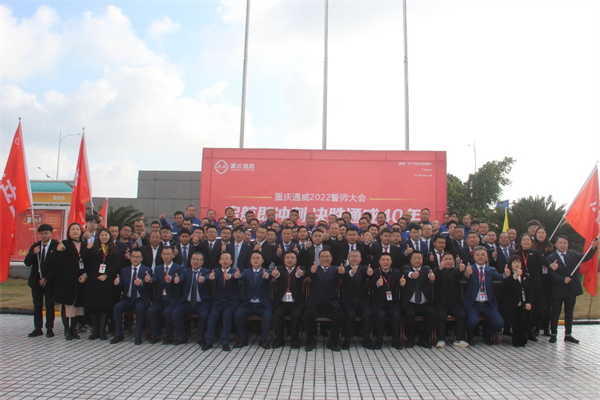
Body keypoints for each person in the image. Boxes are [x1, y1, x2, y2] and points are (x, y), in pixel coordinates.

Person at [547, 235, 598, 344]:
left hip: (571, 289)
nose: (563, 245)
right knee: (555, 312)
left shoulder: (573, 254)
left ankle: (568, 334)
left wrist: (593, 248)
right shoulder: (551, 258)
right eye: (560, 243)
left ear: (568, 244)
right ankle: (553, 333)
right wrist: (562, 279)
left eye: (565, 243)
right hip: (558, 289)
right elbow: (551, 274)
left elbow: (585, 257)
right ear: (556, 244)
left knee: (569, 312)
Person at [463, 246, 510, 345]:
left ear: (487, 257)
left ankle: (487, 335)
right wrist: (467, 274)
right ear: (474, 257)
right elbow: (466, 277)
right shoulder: (470, 268)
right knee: (472, 321)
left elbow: (499, 277)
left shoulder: (491, 270)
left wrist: (505, 275)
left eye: (483, 255)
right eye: (477, 255)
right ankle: (470, 336)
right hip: (473, 304)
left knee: (499, 322)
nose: (480, 257)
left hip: (488, 304)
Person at [53, 223, 91, 341]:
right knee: (67, 304)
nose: (75, 232)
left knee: (77, 306)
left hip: (80, 280)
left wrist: (85, 274)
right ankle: (66, 329)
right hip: (67, 280)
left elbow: (88, 263)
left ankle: (73, 329)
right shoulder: (65, 244)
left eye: (77, 229)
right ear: (69, 232)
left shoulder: (84, 246)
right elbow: (59, 256)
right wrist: (59, 250)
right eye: (73, 229)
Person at [303, 250, 346, 352]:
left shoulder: (335, 269)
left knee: (340, 316)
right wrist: (312, 272)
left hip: (331, 304)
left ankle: (332, 342)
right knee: (307, 315)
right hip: (316, 304)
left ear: (331, 258)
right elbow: (310, 273)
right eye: (322, 257)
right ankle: (310, 342)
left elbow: (339, 275)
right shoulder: (314, 268)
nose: (325, 259)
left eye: (327, 256)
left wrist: (341, 272)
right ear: (319, 258)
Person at [233, 251, 277, 349]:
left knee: (268, 316)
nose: (255, 260)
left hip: (262, 305)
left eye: (258, 258)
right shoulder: (246, 272)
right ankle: (243, 339)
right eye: (253, 258)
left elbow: (269, 276)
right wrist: (237, 276)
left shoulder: (267, 272)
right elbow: (241, 276)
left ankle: (263, 340)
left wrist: (268, 277)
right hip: (248, 304)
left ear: (262, 261)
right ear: (250, 261)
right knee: (238, 314)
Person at [24, 224, 60, 337]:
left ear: (51, 233)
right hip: (36, 281)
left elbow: (57, 266)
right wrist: (33, 253)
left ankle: (49, 328)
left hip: (50, 281)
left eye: (46, 233)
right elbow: (27, 262)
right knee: (37, 305)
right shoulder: (36, 246)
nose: (43, 235)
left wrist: (46, 278)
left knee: (49, 305)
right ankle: (38, 328)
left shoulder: (56, 246)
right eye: (41, 233)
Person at [111, 248, 152, 345]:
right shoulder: (124, 270)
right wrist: (117, 283)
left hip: (140, 299)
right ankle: (119, 335)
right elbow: (121, 284)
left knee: (140, 308)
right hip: (128, 299)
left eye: (138, 257)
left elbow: (150, 286)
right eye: (133, 256)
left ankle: (138, 336)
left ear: (141, 258)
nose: (135, 259)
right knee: (117, 307)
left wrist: (142, 282)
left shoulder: (147, 270)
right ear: (130, 258)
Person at [83, 228, 118, 340]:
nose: (104, 237)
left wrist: (106, 275)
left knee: (104, 306)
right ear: (98, 237)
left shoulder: (113, 249)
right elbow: (87, 262)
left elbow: (115, 265)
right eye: (102, 235)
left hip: (107, 281)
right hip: (94, 280)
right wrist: (87, 250)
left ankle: (102, 331)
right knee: (93, 306)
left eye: (106, 235)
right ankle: (95, 331)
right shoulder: (94, 248)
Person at [172, 252, 212, 346]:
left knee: (204, 315)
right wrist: (178, 280)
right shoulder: (186, 271)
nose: (195, 261)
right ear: (190, 261)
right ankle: (182, 337)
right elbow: (181, 278)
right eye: (193, 259)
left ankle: (200, 338)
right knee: (175, 313)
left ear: (202, 262)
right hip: (187, 302)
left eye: (198, 260)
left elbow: (208, 277)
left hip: (201, 303)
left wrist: (204, 279)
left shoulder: (206, 272)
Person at [147, 247, 184, 344]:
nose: (166, 256)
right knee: (151, 311)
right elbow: (155, 278)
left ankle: (169, 336)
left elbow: (180, 278)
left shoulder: (178, 268)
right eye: (164, 254)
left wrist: (172, 279)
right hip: (160, 298)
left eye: (168, 254)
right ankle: (156, 335)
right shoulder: (158, 268)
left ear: (173, 255)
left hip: (172, 299)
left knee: (167, 312)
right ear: (161, 255)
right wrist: (150, 279)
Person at [203, 253, 239, 351]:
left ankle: (225, 342)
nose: (225, 260)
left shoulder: (235, 271)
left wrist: (232, 276)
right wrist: (209, 278)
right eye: (223, 259)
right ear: (219, 261)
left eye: (227, 259)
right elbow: (210, 277)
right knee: (212, 315)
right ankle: (209, 341)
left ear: (231, 261)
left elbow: (237, 276)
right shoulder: (216, 271)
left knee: (227, 315)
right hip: (218, 302)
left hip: (231, 302)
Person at [400, 252, 437, 349]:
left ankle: (423, 339)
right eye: (415, 258)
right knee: (409, 314)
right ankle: (410, 339)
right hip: (410, 303)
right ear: (410, 260)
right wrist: (412, 274)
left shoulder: (426, 268)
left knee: (433, 314)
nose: (417, 260)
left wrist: (431, 277)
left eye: (419, 258)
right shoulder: (406, 268)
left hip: (424, 303)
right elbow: (406, 273)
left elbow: (429, 274)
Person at [433, 253, 469, 348]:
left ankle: (459, 339)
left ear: (453, 261)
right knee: (441, 315)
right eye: (446, 259)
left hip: (454, 303)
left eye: (450, 259)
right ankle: (441, 339)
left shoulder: (456, 270)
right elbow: (436, 278)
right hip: (441, 303)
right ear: (442, 260)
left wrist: (461, 270)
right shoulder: (437, 270)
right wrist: (440, 269)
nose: (448, 261)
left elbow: (459, 276)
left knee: (462, 314)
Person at [340, 250, 374, 349]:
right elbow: (343, 277)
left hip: (362, 302)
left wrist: (370, 273)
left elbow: (368, 273)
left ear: (360, 259)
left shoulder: (364, 269)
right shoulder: (344, 269)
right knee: (350, 315)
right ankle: (347, 341)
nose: (354, 258)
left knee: (368, 314)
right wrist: (351, 273)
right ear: (348, 258)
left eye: (356, 256)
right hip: (348, 303)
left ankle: (366, 341)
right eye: (352, 256)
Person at [272, 252, 305, 349]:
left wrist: (299, 274)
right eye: (287, 258)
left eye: (292, 258)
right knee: (276, 315)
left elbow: (302, 274)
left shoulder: (301, 268)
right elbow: (276, 275)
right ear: (284, 260)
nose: (290, 260)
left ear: (296, 260)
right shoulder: (279, 269)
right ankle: (279, 340)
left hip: (295, 303)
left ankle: (294, 341)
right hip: (281, 302)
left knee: (296, 316)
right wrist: (275, 275)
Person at [371, 254, 405, 350]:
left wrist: (401, 284)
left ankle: (396, 342)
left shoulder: (396, 272)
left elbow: (399, 284)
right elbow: (371, 286)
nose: (385, 262)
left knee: (396, 316)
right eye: (383, 260)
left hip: (392, 303)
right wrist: (377, 284)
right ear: (379, 262)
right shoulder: (374, 272)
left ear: (391, 262)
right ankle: (378, 342)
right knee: (381, 316)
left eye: (388, 260)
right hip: (378, 303)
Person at [503, 255, 533, 347]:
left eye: (519, 262)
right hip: (513, 305)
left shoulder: (525, 276)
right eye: (514, 262)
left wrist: (529, 303)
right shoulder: (508, 275)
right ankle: (516, 341)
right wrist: (515, 276)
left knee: (526, 317)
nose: (517, 264)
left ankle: (523, 340)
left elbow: (530, 291)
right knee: (517, 318)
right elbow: (508, 288)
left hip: (524, 304)